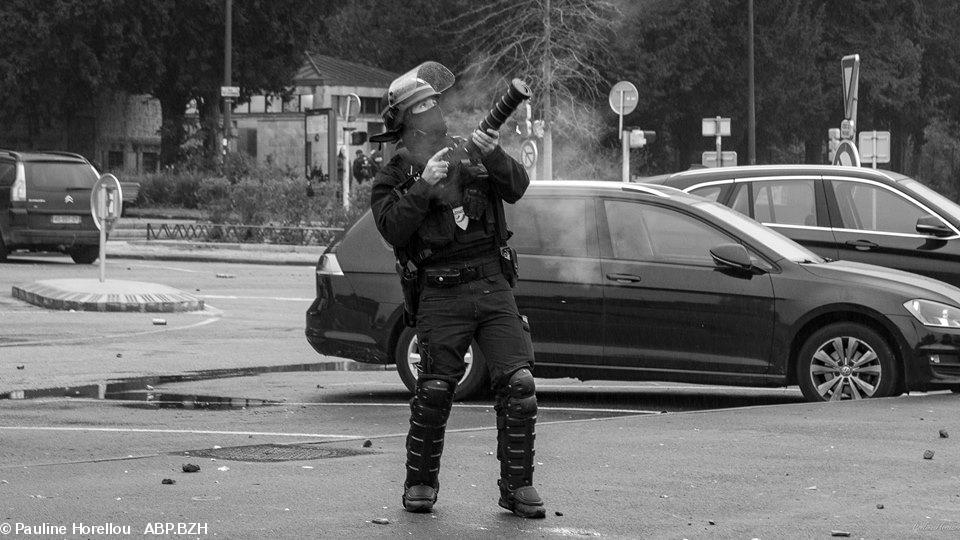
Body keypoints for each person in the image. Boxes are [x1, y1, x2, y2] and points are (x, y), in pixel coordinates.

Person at [369, 61, 545, 519]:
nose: (433, 113)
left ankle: (517, 487)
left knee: (520, 384)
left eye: (434, 104)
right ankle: (421, 484)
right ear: (406, 120)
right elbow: (392, 229)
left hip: (491, 282)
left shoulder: (469, 149)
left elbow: (517, 188)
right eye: (422, 107)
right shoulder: (394, 176)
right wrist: (423, 189)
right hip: (441, 293)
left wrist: (495, 154)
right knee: (434, 391)